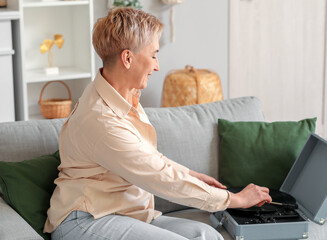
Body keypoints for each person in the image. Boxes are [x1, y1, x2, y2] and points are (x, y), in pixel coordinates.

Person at [44, 7, 272, 240]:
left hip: (123, 212)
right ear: (128, 58)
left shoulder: (123, 94)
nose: (157, 65)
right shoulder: (102, 120)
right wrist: (235, 200)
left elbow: (147, 157)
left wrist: (191, 174)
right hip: (85, 221)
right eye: (153, 55)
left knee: (208, 235)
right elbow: (160, 178)